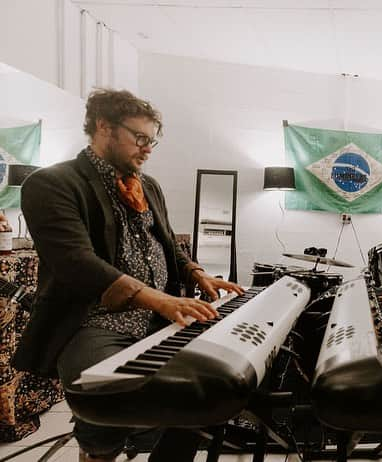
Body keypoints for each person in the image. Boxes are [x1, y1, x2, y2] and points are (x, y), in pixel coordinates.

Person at [11, 89, 243, 462]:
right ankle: (99, 451)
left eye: (152, 141)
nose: (147, 148)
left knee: (209, 391)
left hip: (158, 314)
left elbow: (168, 242)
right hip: (94, 320)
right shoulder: (52, 183)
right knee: (105, 400)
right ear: (104, 126)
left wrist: (196, 273)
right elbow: (76, 261)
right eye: (140, 138)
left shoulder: (148, 185)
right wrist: (161, 300)